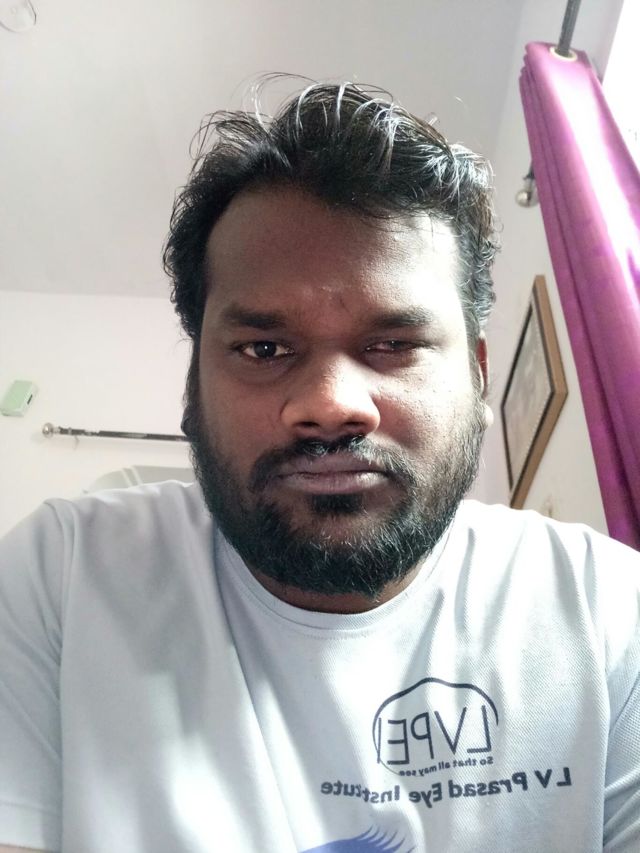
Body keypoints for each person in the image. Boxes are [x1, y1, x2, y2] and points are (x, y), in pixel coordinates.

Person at [0, 81, 638, 853]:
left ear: (477, 377)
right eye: (264, 348)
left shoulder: (610, 611)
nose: (332, 404)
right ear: (192, 386)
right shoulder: (63, 576)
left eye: (393, 345)